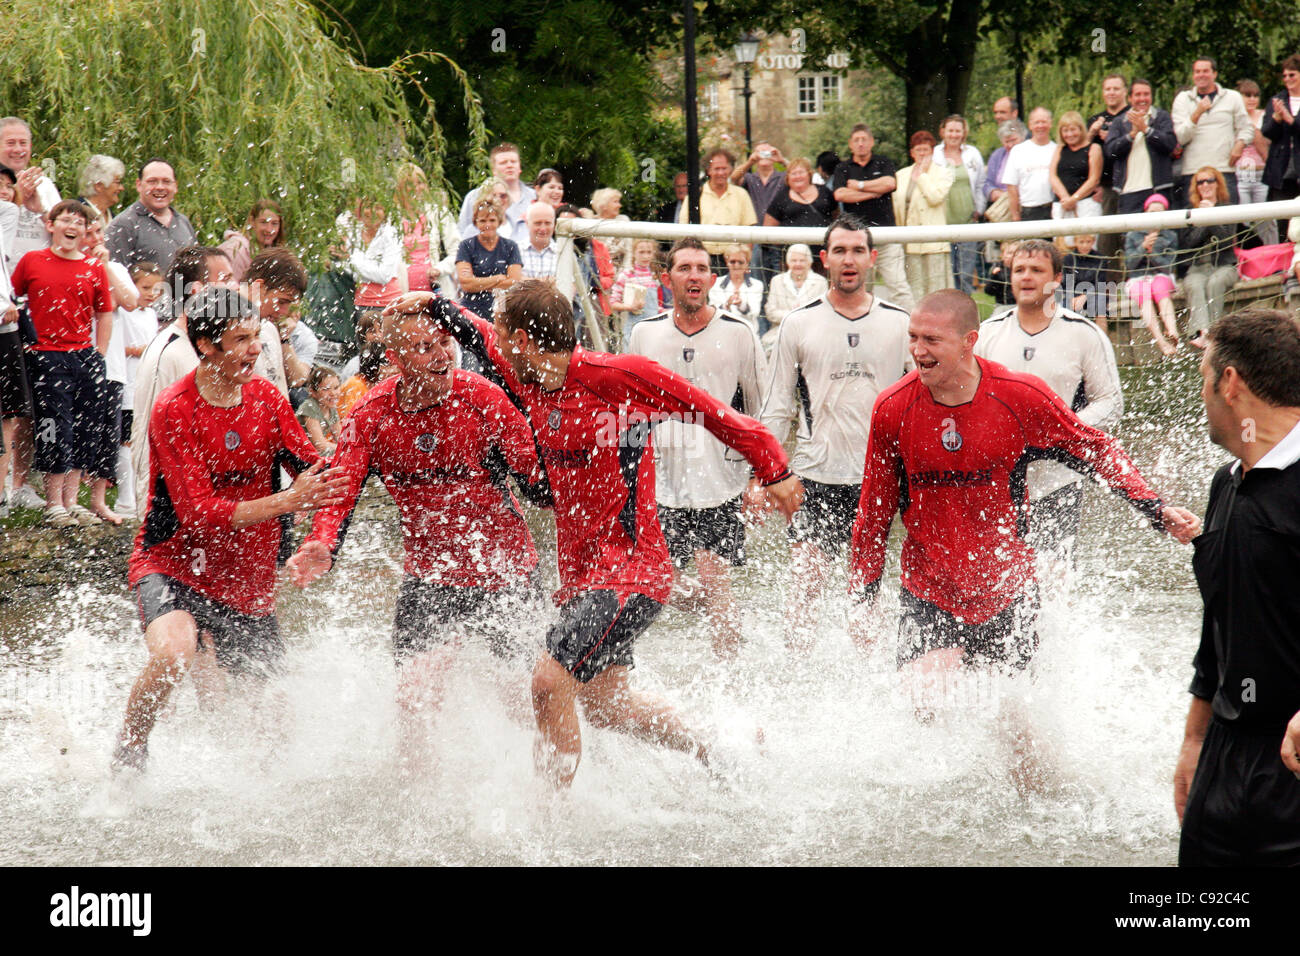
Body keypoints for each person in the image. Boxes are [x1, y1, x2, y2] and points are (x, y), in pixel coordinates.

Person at [396, 282, 801, 788]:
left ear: (522, 338)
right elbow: (479, 335)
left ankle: (548, 824)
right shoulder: (531, 379)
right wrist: (434, 303)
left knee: (547, 681)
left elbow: (723, 417)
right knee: (608, 706)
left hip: (633, 570)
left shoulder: (620, 376)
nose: (495, 344)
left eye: (504, 334)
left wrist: (776, 472)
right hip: (584, 577)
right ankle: (716, 745)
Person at [848, 289, 1200, 785]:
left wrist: (1153, 506)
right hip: (930, 588)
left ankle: (1041, 812)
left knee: (1022, 741)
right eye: (913, 338)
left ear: (970, 340)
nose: (918, 350)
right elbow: (874, 511)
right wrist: (862, 595)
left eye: (931, 340)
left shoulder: (1019, 396)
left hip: (1005, 590)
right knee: (926, 704)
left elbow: (1095, 448)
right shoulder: (893, 408)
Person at [287, 303, 547, 762]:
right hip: (429, 577)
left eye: (444, 342)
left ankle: (546, 784)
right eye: (424, 347)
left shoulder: (483, 398)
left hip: (506, 571)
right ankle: (422, 804)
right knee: (413, 698)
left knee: (524, 701)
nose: (441, 355)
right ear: (396, 356)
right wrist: (322, 542)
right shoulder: (371, 414)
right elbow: (340, 489)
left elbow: (540, 483)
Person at [111, 287, 349, 773]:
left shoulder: (265, 397)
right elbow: (197, 511)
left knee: (274, 722)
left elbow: (317, 473)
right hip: (173, 562)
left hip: (246, 576)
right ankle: (130, 750)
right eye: (239, 340)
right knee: (175, 651)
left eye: (256, 338)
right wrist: (287, 500)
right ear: (205, 345)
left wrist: (324, 531)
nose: (253, 350)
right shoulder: (174, 409)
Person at [1175, 308, 1300, 865]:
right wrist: (1195, 738)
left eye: (1205, 375)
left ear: (1231, 383)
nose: (1202, 393)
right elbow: (1221, 618)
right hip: (1224, 757)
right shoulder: (1226, 484)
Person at [758, 216, 911, 650]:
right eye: (840, 251)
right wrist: (766, 474)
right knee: (803, 591)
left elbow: (924, 404)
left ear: (872, 259)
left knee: (868, 605)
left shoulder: (899, 324)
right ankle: (797, 683)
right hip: (815, 475)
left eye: (858, 250)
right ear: (824, 260)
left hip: (880, 481)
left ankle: (870, 690)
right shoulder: (798, 323)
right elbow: (777, 407)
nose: (849, 259)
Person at [628, 238, 768, 658]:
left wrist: (761, 478)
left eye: (701, 268)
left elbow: (762, 411)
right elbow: (630, 412)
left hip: (719, 481)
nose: (693, 275)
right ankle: (626, 676)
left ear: (712, 278)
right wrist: (629, 479)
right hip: (661, 484)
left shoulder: (739, 334)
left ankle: (728, 677)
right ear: (666, 277)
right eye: (684, 267)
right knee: (651, 584)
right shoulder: (644, 333)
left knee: (715, 579)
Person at [974, 240, 1124, 574]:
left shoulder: (1083, 333)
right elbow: (968, 400)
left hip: (1058, 478)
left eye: (1037, 270)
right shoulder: (987, 335)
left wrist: (1060, 428)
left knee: (1054, 579)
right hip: (995, 478)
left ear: (1056, 279)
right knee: (997, 577)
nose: (1026, 277)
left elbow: (1111, 404)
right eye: (1019, 270)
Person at [9, 200, 114, 528]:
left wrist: (100, 351)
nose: (73, 226)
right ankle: (53, 502)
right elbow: (11, 297)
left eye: (80, 222)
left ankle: (72, 502)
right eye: (66, 219)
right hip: (46, 355)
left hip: (84, 355)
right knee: (54, 426)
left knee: (84, 428)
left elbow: (105, 311)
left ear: (85, 232)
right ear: (51, 225)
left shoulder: (93, 267)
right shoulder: (32, 261)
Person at [129, 246, 238, 521]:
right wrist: (151, 510)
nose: (235, 287)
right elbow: (146, 439)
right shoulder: (169, 353)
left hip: (215, 502)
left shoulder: (218, 350)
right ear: (197, 290)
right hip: (176, 506)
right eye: (225, 279)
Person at [833, 124, 914, 310]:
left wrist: (859, 186)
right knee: (861, 288)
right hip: (857, 240)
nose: (860, 144)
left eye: (864, 140)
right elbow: (840, 195)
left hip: (886, 236)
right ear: (850, 144)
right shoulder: (843, 168)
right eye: (856, 140)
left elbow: (889, 183)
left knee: (898, 286)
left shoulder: (883, 162)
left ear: (871, 142)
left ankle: (908, 327)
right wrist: (873, 192)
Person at [114, 261, 165, 517]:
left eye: (156, 289)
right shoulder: (124, 312)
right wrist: (138, 351)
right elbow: (115, 346)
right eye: (145, 287)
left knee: (142, 441)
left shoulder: (151, 315)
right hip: (125, 384)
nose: (150, 293)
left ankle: (140, 496)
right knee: (126, 441)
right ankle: (125, 499)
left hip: (145, 387)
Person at [1171, 57, 1253, 205]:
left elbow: (1246, 128)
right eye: (1197, 72)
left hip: (1224, 168)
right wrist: (1197, 113)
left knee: (1228, 221)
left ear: (1214, 74)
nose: (1201, 75)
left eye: (1205, 71)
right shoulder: (1183, 99)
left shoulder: (1232, 97)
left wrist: (1239, 146)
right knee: (1194, 224)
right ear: (1193, 75)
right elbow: (1181, 137)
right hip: (1193, 172)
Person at [1182, 167, 1245, 344]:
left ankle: (1214, 334)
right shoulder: (1190, 211)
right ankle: (1201, 333)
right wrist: (1203, 218)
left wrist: (1210, 216)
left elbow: (1226, 241)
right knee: (1194, 284)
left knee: (1215, 283)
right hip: (1198, 268)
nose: (1205, 185)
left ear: (1218, 183)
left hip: (1224, 266)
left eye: (1210, 180)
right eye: (1200, 182)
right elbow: (1188, 244)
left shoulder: (1227, 209)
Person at [105, 159, 196, 274]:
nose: (160, 187)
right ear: (139, 185)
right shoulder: (124, 225)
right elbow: (114, 276)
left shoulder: (183, 222)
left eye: (166, 181)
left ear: (175, 186)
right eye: (152, 181)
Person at [893, 131, 954, 299]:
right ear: (912, 153)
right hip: (909, 243)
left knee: (936, 291)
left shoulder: (944, 173)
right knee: (915, 290)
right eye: (918, 150)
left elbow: (935, 197)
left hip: (934, 243)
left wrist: (922, 176)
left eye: (925, 150)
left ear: (932, 151)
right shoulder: (901, 174)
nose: (922, 154)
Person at [1105, 79, 1178, 215]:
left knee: (1159, 232)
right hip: (1128, 191)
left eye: (1146, 94)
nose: (1142, 99)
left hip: (1157, 189)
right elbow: (1110, 151)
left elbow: (1170, 144)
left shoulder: (1161, 117)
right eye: (1138, 95)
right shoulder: (1119, 122)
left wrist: (1146, 130)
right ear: (1130, 98)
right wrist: (1131, 135)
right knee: (1131, 235)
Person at [678, 150, 757, 270]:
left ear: (730, 170)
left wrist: (744, 260)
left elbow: (750, 231)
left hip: (733, 262)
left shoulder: (741, 195)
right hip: (702, 259)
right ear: (708, 171)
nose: (721, 173)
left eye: (724, 168)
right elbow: (683, 230)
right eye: (716, 169)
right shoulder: (695, 196)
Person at [932, 115, 985, 294]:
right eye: (950, 130)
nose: (954, 135)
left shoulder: (972, 153)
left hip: (967, 221)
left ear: (963, 133)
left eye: (957, 131)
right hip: (942, 222)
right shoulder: (934, 154)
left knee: (965, 274)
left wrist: (979, 209)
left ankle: (966, 314)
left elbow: (980, 184)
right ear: (943, 132)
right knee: (947, 272)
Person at [1124, 192, 1180, 356]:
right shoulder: (1132, 234)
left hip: (1160, 276)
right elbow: (1130, 265)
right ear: (1146, 213)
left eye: (1159, 212)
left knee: (1161, 291)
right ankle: (1161, 341)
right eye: (1152, 212)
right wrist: (1143, 247)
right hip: (1138, 278)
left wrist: (1152, 253)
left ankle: (1172, 331)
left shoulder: (1171, 236)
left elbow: (1168, 267)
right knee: (1145, 296)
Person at [731, 141, 788, 286]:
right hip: (754, 237)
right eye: (760, 152)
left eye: (767, 152)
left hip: (777, 237)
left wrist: (782, 160)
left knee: (778, 279)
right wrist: (750, 162)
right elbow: (733, 178)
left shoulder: (782, 177)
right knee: (757, 277)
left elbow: (801, 174)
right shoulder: (750, 178)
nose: (764, 156)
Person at [455, 197, 522, 322]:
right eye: (482, 221)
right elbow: (466, 284)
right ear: (475, 222)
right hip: (472, 310)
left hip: (502, 310)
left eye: (492, 220)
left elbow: (514, 282)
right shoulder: (466, 246)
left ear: (499, 221)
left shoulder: (510, 246)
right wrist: (498, 278)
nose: (487, 225)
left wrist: (478, 282)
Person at [762, 157, 836, 268]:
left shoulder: (824, 192)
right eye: (793, 173)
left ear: (809, 174)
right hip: (793, 260)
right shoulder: (781, 197)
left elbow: (836, 217)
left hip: (822, 257)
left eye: (801, 172)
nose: (798, 176)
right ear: (787, 178)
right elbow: (768, 227)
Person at [457, 142, 535, 245]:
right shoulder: (475, 196)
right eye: (503, 163)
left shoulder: (533, 197)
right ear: (493, 169)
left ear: (520, 166)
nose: (509, 165)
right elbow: (462, 233)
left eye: (513, 162)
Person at [1261, 54, 1300, 242]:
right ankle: (1287, 268)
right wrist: (1277, 118)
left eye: (1292, 75)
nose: (1287, 80)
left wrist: (1291, 120)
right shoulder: (1276, 100)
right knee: (1284, 223)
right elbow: (1267, 132)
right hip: (1283, 172)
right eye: (1284, 76)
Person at [763, 243, 828, 351]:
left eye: (802, 260)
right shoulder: (777, 281)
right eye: (794, 260)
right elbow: (770, 311)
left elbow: (823, 312)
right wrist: (790, 315)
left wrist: (802, 317)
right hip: (781, 330)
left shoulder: (820, 281)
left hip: (811, 332)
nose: (798, 264)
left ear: (809, 262)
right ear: (788, 262)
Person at [1235, 80, 1274, 245]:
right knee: (1242, 218)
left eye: (1256, 95)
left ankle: (1272, 254)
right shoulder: (1235, 117)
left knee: (1266, 218)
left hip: (1261, 172)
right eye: (1247, 95)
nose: (1252, 99)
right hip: (1241, 173)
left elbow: (1269, 142)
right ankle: (1245, 256)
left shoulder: (1265, 115)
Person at [1049, 111, 1103, 226]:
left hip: (1085, 204)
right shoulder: (1059, 149)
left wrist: (1074, 199)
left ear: (1080, 129)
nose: (1069, 134)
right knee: (1062, 243)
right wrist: (1065, 198)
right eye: (1065, 130)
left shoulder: (1093, 148)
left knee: (1087, 241)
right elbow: (1052, 176)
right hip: (1062, 204)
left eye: (1073, 129)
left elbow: (1094, 179)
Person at [1005, 107, 1057, 221]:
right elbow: (1011, 187)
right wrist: (1015, 216)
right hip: (1028, 212)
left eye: (1044, 122)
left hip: (1054, 210)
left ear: (1050, 124)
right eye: (1036, 122)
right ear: (1030, 125)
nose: (1040, 126)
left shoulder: (1057, 149)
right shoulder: (1018, 151)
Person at [610, 238, 662, 350]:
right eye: (641, 252)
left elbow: (655, 306)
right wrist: (629, 307)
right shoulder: (627, 275)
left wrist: (663, 311)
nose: (645, 256)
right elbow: (613, 303)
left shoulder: (654, 276)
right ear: (634, 253)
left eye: (649, 252)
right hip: (634, 327)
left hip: (654, 329)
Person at [218, 199, 285, 283]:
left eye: (274, 223)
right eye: (263, 222)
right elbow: (225, 293)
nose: (269, 229)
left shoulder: (271, 252)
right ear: (252, 221)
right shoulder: (236, 252)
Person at [706, 244, 763, 332]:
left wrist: (741, 305)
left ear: (747, 263)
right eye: (732, 261)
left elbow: (755, 312)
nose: (736, 265)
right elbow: (712, 312)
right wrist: (727, 305)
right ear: (726, 262)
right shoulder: (716, 283)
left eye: (740, 262)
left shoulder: (757, 285)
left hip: (748, 331)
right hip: (721, 332)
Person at [982, 120, 1026, 221]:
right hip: (1001, 210)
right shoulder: (997, 155)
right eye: (1007, 141)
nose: (1010, 145)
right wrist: (994, 193)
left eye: (1013, 140)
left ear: (1022, 138)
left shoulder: (1029, 153)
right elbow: (987, 183)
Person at [1061, 234, 1107, 322]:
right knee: (1066, 309)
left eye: (1088, 242)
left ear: (1093, 241)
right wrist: (1072, 298)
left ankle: (1101, 334)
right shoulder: (1069, 259)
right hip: (1073, 295)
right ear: (1075, 242)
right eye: (1081, 242)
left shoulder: (1100, 259)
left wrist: (1085, 296)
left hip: (1095, 294)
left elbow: (1101, 283)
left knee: (1100, 308)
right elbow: (1066, 283)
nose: (1085, 245)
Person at [296, 366, 341, 456]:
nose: (333, 393)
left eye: (336, 388)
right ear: (313, 392)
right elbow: (320, 445)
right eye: (326, 389)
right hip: (298, 454)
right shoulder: (310, 407)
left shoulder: (331, 408)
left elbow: (340, 438)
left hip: (313, 453)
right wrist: (343, 449)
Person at [77, 154, 126, 231]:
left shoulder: (115, 220)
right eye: (117, 182)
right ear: (99, 186)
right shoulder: (76, 215)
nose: (121, 188)